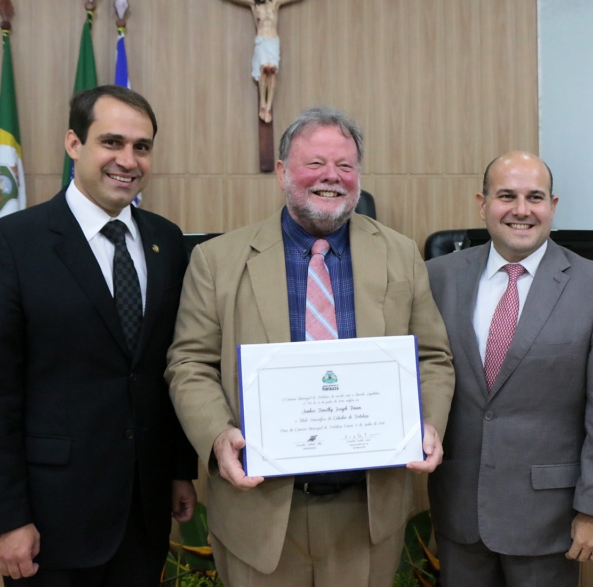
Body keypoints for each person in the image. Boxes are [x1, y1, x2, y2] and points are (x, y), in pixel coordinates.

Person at [165, 107, 455, 587]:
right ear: (282, 172)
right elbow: (190, 362)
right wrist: (218, 436)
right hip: (258, 509)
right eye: (315, 163)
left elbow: (433, 357)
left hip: (366, 509)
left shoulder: (401, 254)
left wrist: (429, 423)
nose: (331, 177)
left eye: (345, 166)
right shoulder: (216, 260)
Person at [0, 85, 198, 586]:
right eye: (111, 142)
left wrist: (180, 469)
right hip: (52, 518)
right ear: (74, 144)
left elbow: (171, 365)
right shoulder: (12, 243)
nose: (128, 160)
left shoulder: (167, 241)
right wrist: (6, 518)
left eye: (142, 147)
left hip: (144, 509)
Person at [425, 151, 593, 587]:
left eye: (535, 197)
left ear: (553, 205)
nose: (521, 210)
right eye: (507, 196)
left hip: (550, 518)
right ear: (482, 204)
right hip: (460, 512)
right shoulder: (436, 277)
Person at [197, 0, 325, 123]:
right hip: (261, 41)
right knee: (264, 71)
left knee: (272, 73)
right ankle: (262, 104)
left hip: (273, 41)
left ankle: (268, 106)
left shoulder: (275, 3)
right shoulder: (253, 6)